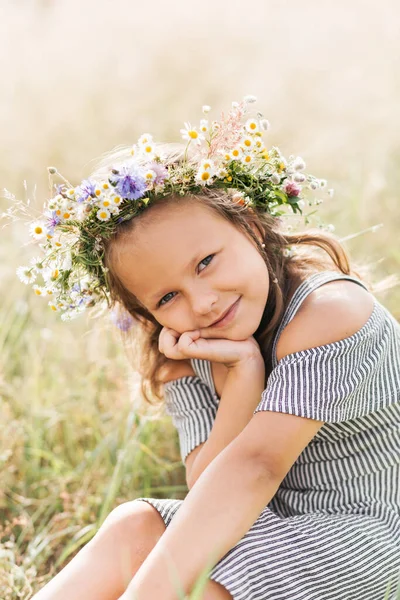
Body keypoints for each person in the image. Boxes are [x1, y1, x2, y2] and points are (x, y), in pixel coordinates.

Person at [16, 96, 399, 600]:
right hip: (266, 523)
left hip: (366, 537)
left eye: (205, 263)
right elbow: (208, 488)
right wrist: (242, 377)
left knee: (198, 585)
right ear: (146, 314)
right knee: (135, 526)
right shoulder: (188, 347)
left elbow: (254, 468)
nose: (201, 303)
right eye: (167, 297)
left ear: (250, 225)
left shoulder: (329, 314)